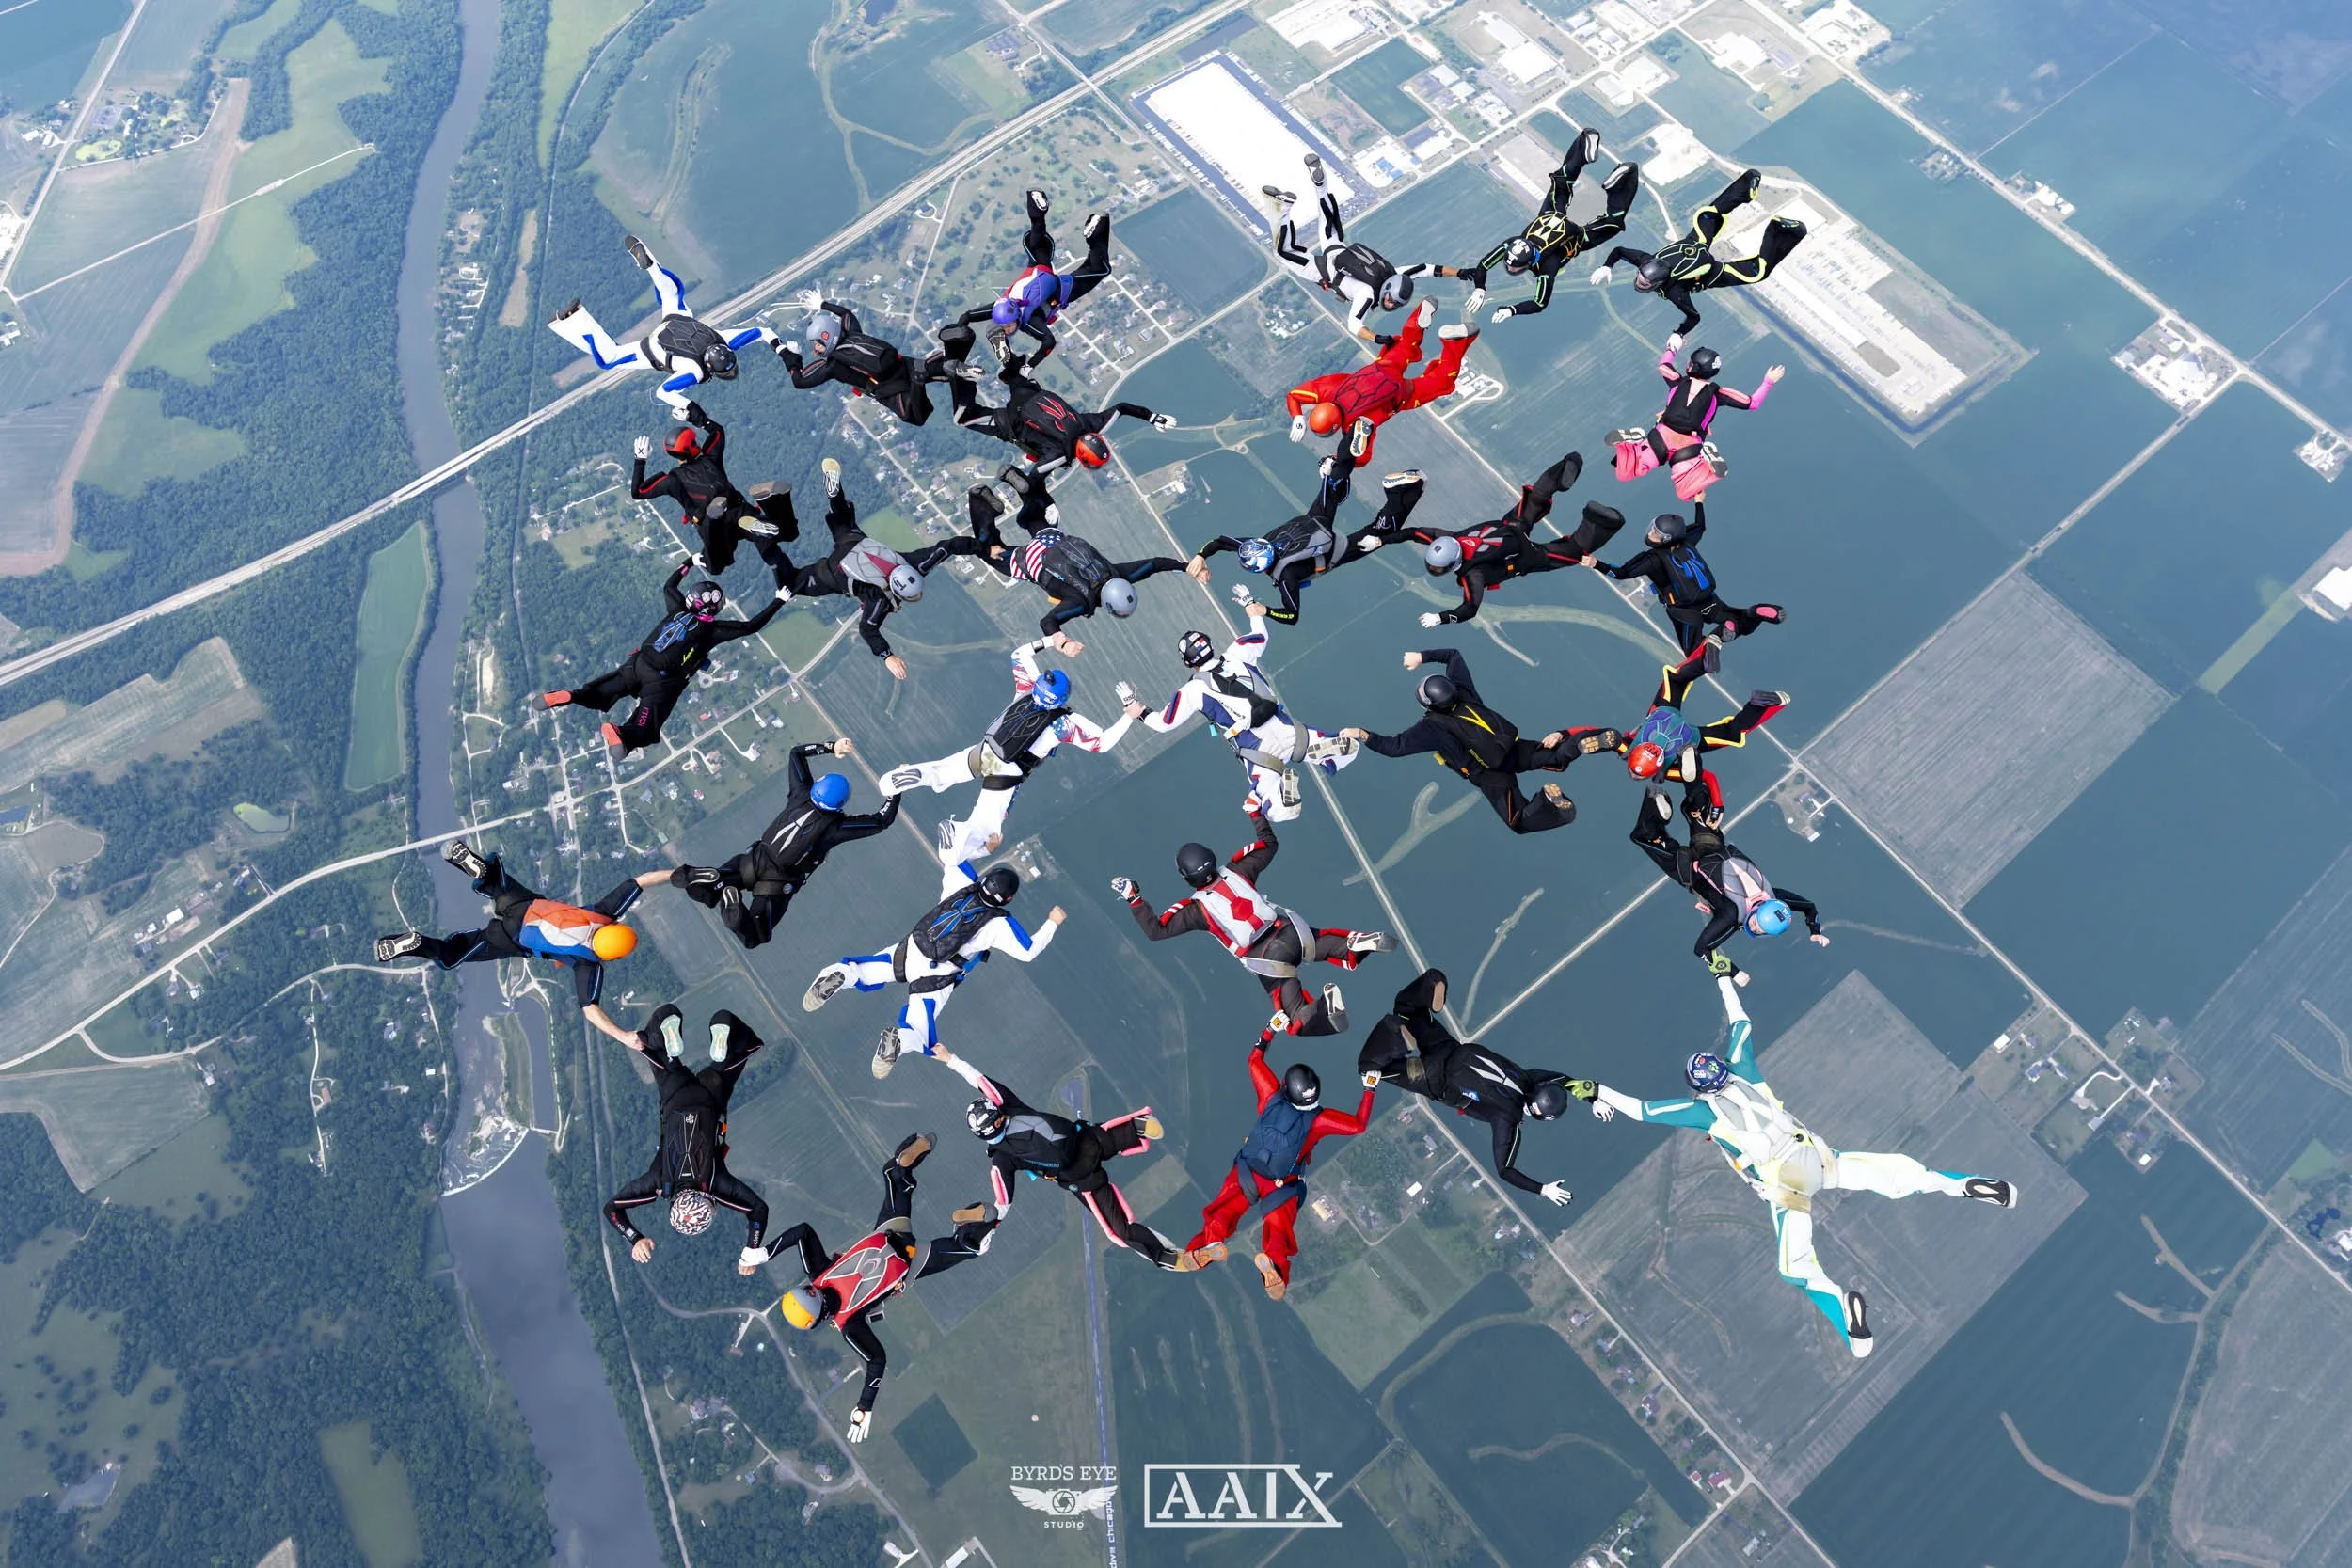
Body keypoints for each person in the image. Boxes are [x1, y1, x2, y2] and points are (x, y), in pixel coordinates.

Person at [1586, 976, 2018, 1357]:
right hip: (1819, 1158)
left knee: (1795, 1269)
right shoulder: (1744, 1069)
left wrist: (1593, 1090)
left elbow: (1640, 1110)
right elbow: (1741, 1023)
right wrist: (1721, 977)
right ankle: (1967, 1185)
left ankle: (1843, 1308)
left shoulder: (1703, 1113)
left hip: (1786, 1183)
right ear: (1721, 1069)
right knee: (1901, 1176)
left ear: (1699, 1089)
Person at [768, 1132, 998, 1440]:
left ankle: (968, 1231)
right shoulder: (818, 1272)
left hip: (911, 1261)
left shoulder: (848, 1323)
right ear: (810, 1292)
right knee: (894, 1176)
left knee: (967, 1249)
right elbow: (802, 1232)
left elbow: (877, 1362)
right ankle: (901, 1170)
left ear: (820, 1317)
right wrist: (762, 1252)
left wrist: (864, 1407)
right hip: (889, 1233)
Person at [1113, 807, 1392, 1037]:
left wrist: (1134, 898)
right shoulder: (1239, 869)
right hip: (1290, 932)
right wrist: (1255, 813)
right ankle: (1354, 943)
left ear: (1187, 878)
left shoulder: (1196, 909)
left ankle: (1328, 1011)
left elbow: (1156, 930)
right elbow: (1270, 845)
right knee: (1325, 943)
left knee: (1295, 1016)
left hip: (1266, 960)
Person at [931, 1043, 1206, 1271]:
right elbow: (978, 1079)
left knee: (1120, 1232)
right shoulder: (1009, 1105)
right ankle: (1137, 1127)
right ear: (996, 1113)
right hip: (1087, 1139)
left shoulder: (1001, 1160)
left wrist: (987, 1231)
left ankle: (1167, 1257)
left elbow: (1003, 1203)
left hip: (1082, 1180)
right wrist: (948, 1058)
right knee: (1110, 1137)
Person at [803, 854, 1066, 1079]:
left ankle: (838, 974)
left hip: (912, 948)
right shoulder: (999, 924)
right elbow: (1029, 951)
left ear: (984, 880)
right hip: (940, 974)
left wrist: (987, 847)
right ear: (1008, 899)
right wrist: (1052, 922)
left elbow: (952, 850)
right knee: (920, 1033)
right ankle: (898, 1041)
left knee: (863, 971)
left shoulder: (960, 880)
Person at [880, 640, 1134, 863]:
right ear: (1063, 698)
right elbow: (1103, 743)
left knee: (944, 770)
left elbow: (1019, 654)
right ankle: (957, 845)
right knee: (986, 827)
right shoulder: (1065, 723)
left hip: (986, 750)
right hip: (1010, 772)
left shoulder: (1026, 689)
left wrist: (1051, 641)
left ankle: (912, 775)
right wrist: (1129, 715)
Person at [373, 840, 645, 1045]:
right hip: (510, 939)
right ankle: (420, 944)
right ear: (612, 956)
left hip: (524, 905)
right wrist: (625, 1037)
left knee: (496, 883)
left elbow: (640, 881)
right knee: (451, 954)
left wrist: (681, 875)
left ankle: (483, 873)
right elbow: (590, 1010)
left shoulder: (602, 913)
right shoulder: (588, 964)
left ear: (615, 927)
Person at [1357, 969, 1584, 1203]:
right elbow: (1505, 1170)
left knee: (1405, 1008)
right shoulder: (1507, 1119)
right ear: (1540, 1115)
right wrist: (1542, 1189)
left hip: (1449, 1048)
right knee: (1370, 1068)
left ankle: (1433, 982)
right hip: (1435, 1079)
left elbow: (1560, 1079)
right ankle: (1397, 1037)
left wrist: (1591, 1095)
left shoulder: (1529, 1077)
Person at [1184, 1025, 1376, 1298]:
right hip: (1281, 1185)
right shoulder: (1319, 1120)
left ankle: (1207, 1244)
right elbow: (1358, 1125)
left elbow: (1254, 1060)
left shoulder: (1270, 1096)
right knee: (1278, 1229)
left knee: (1224, 1212)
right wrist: (1369, 1089)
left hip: (1247, 1172)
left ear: (1287, 1087)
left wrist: (1268, 1032)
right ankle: (1273, 1264)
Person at [1340, 650, 1622, 834]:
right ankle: (1586, 743)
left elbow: (1394, 748)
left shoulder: (1431, 728)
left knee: (1519, 821)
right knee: (1558, 756)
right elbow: (1453, 656)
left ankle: (1547, 800)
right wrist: (1421, 657)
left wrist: (1361, 734)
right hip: (1514, 748)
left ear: (1429, 704)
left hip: (1490, 776)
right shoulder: (1464, 693)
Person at [662, 738, 897, 949]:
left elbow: (796, 753)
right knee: (755, 936)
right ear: (840, 803)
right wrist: (896, 789)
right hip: (778, 881)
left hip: (754, 858)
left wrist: (831, 747)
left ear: (817, 787)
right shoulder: (835, 827)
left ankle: (712, 877)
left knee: (707, 892)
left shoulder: (800, 793)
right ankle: (732, 909)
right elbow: (882, 820)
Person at [1126, 617, 1359, 822]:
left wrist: (1139, 711)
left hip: (1258, 751)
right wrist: (1251, 607)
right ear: (1209, 645)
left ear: (1188, 662)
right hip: (1287, 728)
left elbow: (1164, 723)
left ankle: (1282, 793)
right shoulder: (1238, 653)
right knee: (1351, 750)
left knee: (1278, 811)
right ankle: (1327, 751)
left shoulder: (1193, 690)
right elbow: (1261, 635)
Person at [542, 560, 786, 753]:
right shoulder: (711, 630)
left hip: (638, 663)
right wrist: (779, 600)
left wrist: (689, 562)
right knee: (646, 727)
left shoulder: (677, 609)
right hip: (662, 681)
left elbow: (669, 586)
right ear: (713, 607)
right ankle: (623, 735)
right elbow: (750, 626)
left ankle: (572, 696)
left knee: (602, 690)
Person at [605, 1004, 776, 1271]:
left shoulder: (716, 1183)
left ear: (709, 1203)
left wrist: (751, 1251)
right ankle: (669, 1041)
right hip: (674, 1095)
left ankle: (721, 1035)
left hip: (711, 1096)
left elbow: (758, 1211)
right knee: (657, 1026)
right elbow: (612, 1209)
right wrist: (634, 1238)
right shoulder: (659, 1182)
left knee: (742, 1040)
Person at [785, 459, 984, 681]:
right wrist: (887, 656)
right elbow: (868, 630)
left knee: (842, 514)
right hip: (833, 573)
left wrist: (984, 548)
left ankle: (834, 493)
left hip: (853, 543)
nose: (918, 595)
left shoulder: (915, 565)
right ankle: (767, 543)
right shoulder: (879, 601)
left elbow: (948, 547)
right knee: (791, 585)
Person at [548, 234, 779, 417]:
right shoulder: (696, 372)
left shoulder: (725, 340)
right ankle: (578, 318)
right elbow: (663, 391)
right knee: (610, 358)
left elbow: (761, 331)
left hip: (677, 321)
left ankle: (652, 267)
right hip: (653, 349)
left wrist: (781, 349)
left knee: (672, 294)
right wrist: (692, 411)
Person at [1186, 455, 1422, 626]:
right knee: (1332, 487)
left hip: (1337, 551)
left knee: (1380, 531)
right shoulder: (1259, 544)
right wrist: (1201, 555)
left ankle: (1397, 493)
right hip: (1314, 523)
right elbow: (1221, 542)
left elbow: (1291, 615)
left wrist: (1264, 610)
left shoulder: (1286, 578)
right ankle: (1336, 463)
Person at [1631, 772, 1824, 978]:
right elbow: (1702, 949)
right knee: (1644, 837)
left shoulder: (1774, 896)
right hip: (1689, 871)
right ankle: (1656, 806)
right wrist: (1734, 973)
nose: (1755, 928)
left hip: (1715, 849)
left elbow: (1808, 906)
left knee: (1698, 811)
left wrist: (1815, 930)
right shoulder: (1732, 917)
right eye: (1758, 926)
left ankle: (1691, 774)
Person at [1262, 154, 1470, 341]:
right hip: (1319, 271)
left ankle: (1320, 182)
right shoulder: (1367, 295)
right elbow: (1354, 325)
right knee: (1283, 252)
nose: (1390, 305)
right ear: (1388, 290)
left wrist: (1460, 273)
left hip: (1338, 251)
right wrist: (1378, 338)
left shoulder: (1395, 274)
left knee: (1327, 219)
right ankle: (1283, 208)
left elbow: (1426, 269)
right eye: (1391, 301)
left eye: (1395, 304)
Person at [1406, 455, 1629, 624]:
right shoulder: (1446, 537)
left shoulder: (1473, 575)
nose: (1435, 570)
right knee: (1533, 502)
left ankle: (1600, 521)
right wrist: (1380, 537)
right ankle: (1559, 473)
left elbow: (1470, 608)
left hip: (1526, 557)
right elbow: (1414, 533)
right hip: (1509, 529)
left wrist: (1440, 618)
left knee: (1573, 552)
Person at [1593, 168, 1806, 338]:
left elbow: (1694, 317)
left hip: (1712, 272)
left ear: (1658, 284)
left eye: (1644, 281)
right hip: (1695, 244)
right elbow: (1619, 251)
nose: (1640, 281)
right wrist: (1606, 265)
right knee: (1709, 215)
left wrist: (1679, 334)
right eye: (1641, 278)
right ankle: (1747, 182)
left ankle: (1778, 230)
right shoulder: (1645, 260)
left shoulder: (1676, 292)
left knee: (1757, 272)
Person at [965, 482, 1184, 645]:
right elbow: (1048, 622)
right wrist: (1062, 643)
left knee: (1034, 521)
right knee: (988, 552)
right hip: (1031, 562)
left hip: (1053, 540)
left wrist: (1185, 566)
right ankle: (978, 501)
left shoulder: (1120, 575)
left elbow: (1154, 565)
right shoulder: (1081, 601)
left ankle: (1026, 491)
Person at [1458, 128, 1640, 323]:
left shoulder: (1547, 265)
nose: (1510, 270)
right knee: (1561, 183)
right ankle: (1584, 144)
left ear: (1528, 263)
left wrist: (1512, 309)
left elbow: (1539, 304)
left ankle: (1625, 177)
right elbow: (1484, 265)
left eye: (1514, 268)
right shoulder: (1514, 244)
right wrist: (1479, 287)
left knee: (1612, 222)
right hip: (1549, 216)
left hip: (1576, 237)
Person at [1282, 298, 1475, 465]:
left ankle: (1454, 341)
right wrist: (1298, 417)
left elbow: (1362, 457)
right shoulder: (1327, 392)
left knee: (1442, 381)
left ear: (1334, 427)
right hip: (1383, 368)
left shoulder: (1355, 425)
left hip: (1400, 394)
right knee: (1406, 345)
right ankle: (1418, 320)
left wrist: (1335, 459)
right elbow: (1294, 395)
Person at [946, 190, 1114, 371]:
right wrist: (959, 329)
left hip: (1062, 291)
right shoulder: (999, 307)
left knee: (1099, 269)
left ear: (1017, 317)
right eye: (1005, 327)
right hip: (1038, 269)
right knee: (1037, 241)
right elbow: (969, 316)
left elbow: (1049, 342)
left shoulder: (1028, 321)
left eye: (1008, 326)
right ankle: (1036, 205)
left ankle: (1095, 235)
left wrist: (1029, 366)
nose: (1007, 330)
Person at [628, 402, 797, 578]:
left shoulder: (672, 480)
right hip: (739, 510)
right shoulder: (711, 458)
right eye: (693, 441)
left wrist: (640, 459)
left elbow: (638, 492)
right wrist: (693, 415)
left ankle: (716, 513)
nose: (697, 442)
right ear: (689, 447)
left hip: (715, 527)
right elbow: (717, 431)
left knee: (715, 567)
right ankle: (772, 501)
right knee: (785, 534)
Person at [1591, 506, 1782, 657]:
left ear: (1666, 539)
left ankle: (1715, 637)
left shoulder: (1653, 558)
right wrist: (1699, 500)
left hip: (1684, 610)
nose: (1651, 534)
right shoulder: (1687, 540)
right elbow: (1700, 525)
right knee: (1741, 622)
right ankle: (1753, 612)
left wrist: (1594, 563)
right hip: (1710, 600)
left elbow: (1620, 573)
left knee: (1693, 652)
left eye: (1656, 534)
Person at [1609, 341, 1783, 501]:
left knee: (1624, 473)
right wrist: (1768, 382)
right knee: (1685, 492)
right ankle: (1707, 459)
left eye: (1691, 363)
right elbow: (1753, 403)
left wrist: (1674, 344)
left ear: (1696, 368)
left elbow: (1663, 365)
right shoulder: (1718, 394)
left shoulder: (1678, 382)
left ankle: (1634, 440)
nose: (1689, 365)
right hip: (1689, 445)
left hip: (1662, 435)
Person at [946, 356, 1174, 478]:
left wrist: (1153, 417)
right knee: (964, 417)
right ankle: (961, 377)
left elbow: (1122, 407)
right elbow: (1036, 475)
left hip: (1033, 394)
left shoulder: (1092, 424)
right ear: (1083, 458)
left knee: (1013, 375)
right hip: (1011, 422)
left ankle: (1008, 358)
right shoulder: (1060, 454)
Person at [1617, 640, 1786, 784]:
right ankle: (1703, 661)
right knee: (1676, 680)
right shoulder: (1626, 747)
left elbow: (1704, 776)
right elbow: (1601, 736)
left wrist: (1715, 805)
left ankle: (1759, 705)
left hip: (1690, 737)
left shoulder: (1665, 771)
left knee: (1731, 732)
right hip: (1664, 714)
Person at [777, 293, 951, 426]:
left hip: (888, 389)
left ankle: (919, 382)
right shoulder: (852, 332)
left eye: (817, 344)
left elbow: (799, 381)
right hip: (903, 365)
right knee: (939, 369)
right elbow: (846, 314)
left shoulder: (834, 365)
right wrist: (823, 304)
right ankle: (949, 360)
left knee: (915, 416)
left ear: (827, 338)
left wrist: (792, 358)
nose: (815, 349)